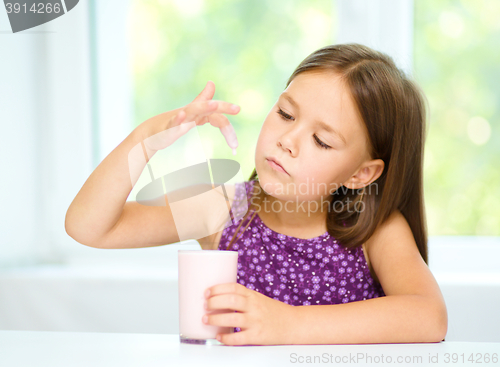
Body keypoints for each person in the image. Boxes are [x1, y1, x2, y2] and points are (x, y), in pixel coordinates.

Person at [65, 43, 448, 346]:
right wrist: (144, 140)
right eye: (285, 113)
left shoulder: (372, 229)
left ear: (361, 173)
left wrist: (290, 324)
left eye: (321, 140)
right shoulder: (221, 209)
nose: (287, 141)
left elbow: (429, 316)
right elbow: (91, 228)